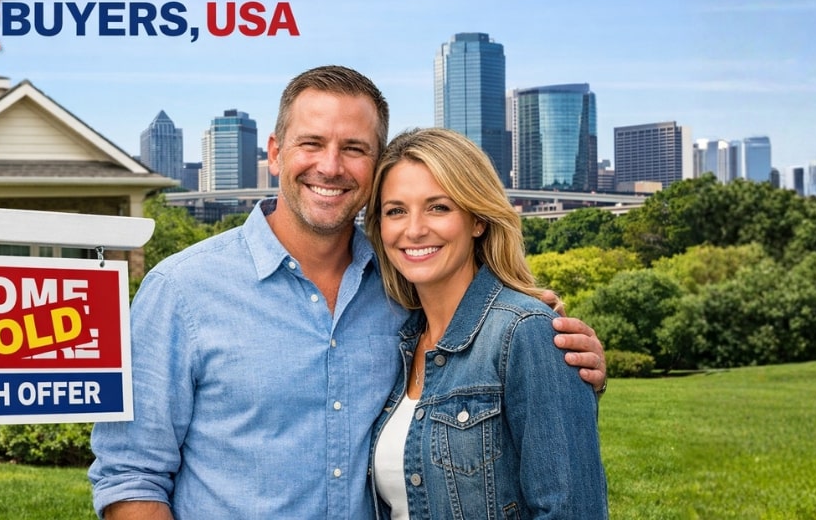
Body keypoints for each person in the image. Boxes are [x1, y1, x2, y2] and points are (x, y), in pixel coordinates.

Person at [89, 66, 606, 520]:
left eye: (354, 149)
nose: (331, 167)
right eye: (311, 143)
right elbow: (130, 477)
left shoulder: (400, 294)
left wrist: (552, 358)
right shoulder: (180, 292)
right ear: (274, 152)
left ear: (375, 165)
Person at [366, 127, 608, 518]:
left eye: (438, 207)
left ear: (477, 219)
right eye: (396, 211)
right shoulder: (400, 340)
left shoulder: (527, 332)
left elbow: (571, 509)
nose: (413, 229)